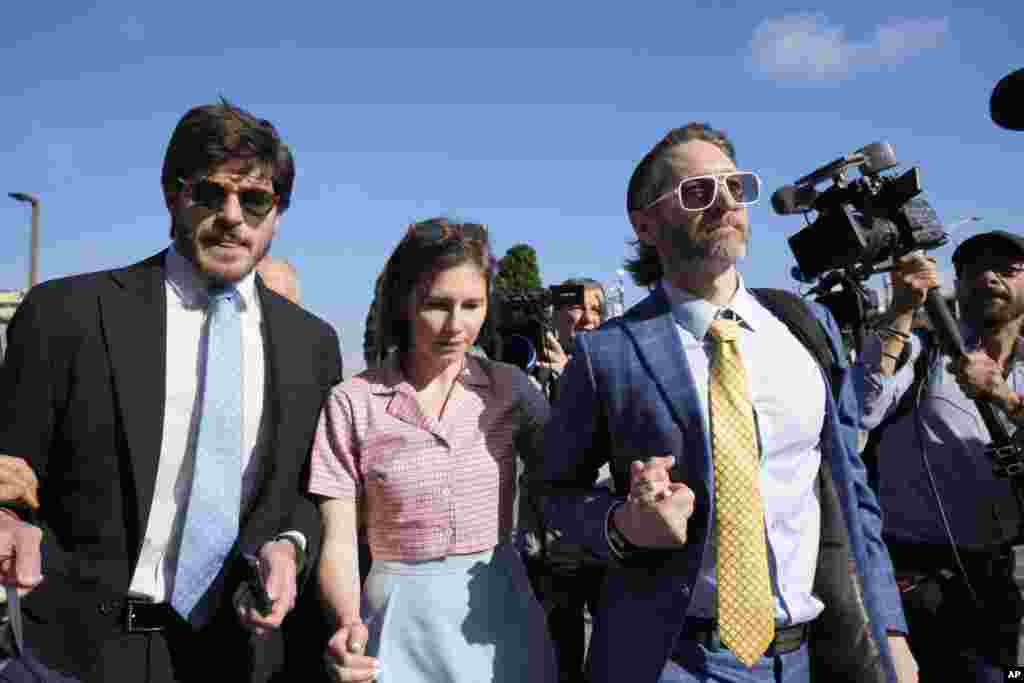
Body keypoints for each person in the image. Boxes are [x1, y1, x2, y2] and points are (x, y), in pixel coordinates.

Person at [529, 122, 915, 683]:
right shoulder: (605, 354)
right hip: (670, 659)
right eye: (697, 192)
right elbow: (552, 495)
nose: (725, 203)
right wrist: (623, 524)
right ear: (646, 225)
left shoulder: (807, 329)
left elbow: (852, 488)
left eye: (736, 186)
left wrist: (890, 630)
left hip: (803, 657)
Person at [0, 99, 343, 682]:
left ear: (277, 214)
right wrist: (8, 521)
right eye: (211, 193)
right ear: (171, 195)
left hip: (238, 657)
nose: (233, 216)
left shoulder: (313, 346)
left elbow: (304, 495)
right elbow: (10, 468)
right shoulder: (66, 315)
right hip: (77, 658)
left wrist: (289, 545)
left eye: (255, 199)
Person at [309, 218, 557, 683]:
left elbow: (566, 475)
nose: (456, 325)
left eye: (472, 305)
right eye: (437, 305)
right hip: (397, 616)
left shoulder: (512, 391)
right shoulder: (353, 402)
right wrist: (347, 621)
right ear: (404, 303)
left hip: (496, 608)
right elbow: (339, 538)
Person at [857, 232, 1024, 682]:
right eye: (973, 269)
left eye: (1007, 269)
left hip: (999, 583)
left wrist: (1006, 398)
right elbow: (861, 408)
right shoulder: (920, 350)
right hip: (913, 580)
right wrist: (902, 309)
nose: (988, 277)